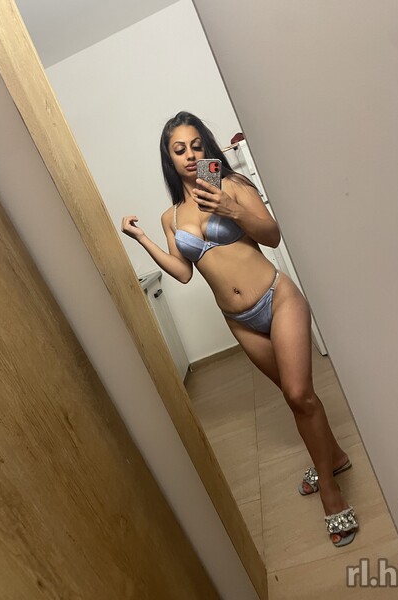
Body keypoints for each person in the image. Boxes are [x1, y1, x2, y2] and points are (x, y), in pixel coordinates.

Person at [121, 111, 358, 546]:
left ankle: (329, 488)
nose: (190, 155)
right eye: (179, 149)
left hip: (277, 298)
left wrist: (232, 210)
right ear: (169, 158)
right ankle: (335, 456)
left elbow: (272, 235)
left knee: (299, 394)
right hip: (240, 322)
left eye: (196, 146)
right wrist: (142, 238)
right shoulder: (172, 216)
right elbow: (183, 272)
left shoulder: (231, 185)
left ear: (207, 148)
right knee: (295, 397)